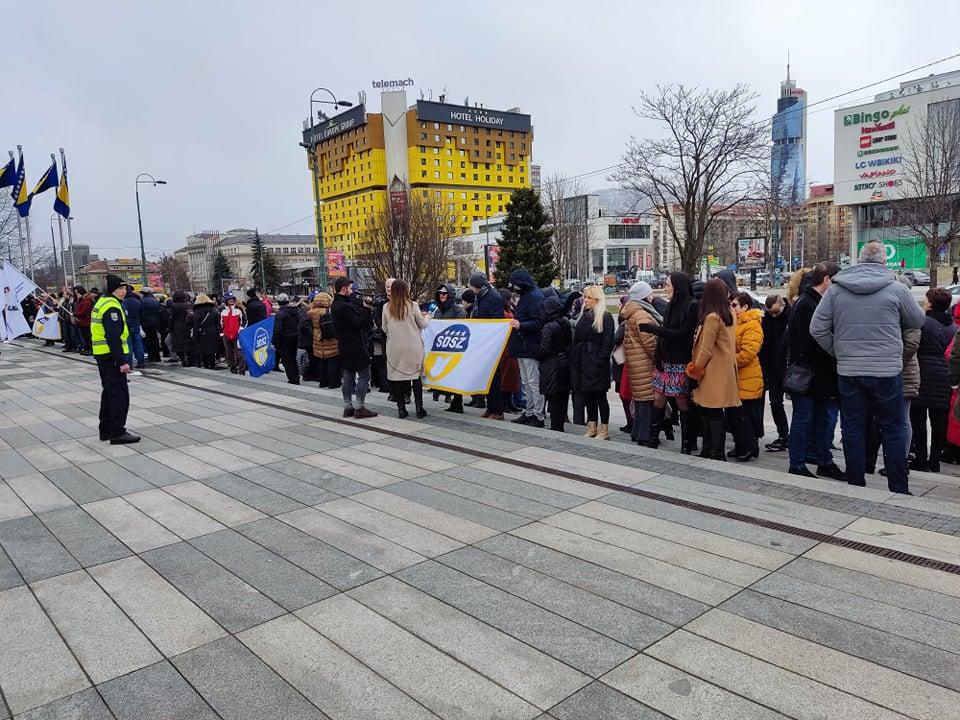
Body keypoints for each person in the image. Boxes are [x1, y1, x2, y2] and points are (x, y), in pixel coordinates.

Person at [810, 243, 924, 493]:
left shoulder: (836, 290)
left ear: (859, 260)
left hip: (850, 372)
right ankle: (898, 486)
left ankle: (856, 483)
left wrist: (839, 352)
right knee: (893, 427)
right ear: (884, 262)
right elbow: (917, 319)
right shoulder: (897, 288)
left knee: (852, 427)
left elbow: (817, 328)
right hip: (886, 372)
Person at [783, 263, 845, 479]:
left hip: (818, 375)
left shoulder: (812, 301)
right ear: (827, 280)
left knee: (822, 419)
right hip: (809, 374)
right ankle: (797, 463)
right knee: (804, 418)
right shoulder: (807, 303)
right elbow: (811, 341)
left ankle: (823, 460)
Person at [639, 272, 698, 452]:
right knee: (658, 398)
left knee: (681, 401)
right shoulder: (671, 305)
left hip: (680, 361)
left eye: (668, 285)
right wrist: (658, 356)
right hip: (665, 361)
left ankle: (687, 444)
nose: (665, 288)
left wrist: (655, 330)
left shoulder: (692, 306)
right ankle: (652, 439)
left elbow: (683, 335)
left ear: (678, 287)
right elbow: (665, 333)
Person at [685, 278, 739, 460]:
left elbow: (705, 350)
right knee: (713, 411)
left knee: (710, 412)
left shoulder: (711, 317)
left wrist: (694, 370)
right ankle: (712, 450)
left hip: (712, 370)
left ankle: (714, 451)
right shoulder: (729, 313)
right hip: (726, 369)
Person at [90, 274, 138, 444]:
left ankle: (106, 430)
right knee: (119, 395)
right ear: (112, 289)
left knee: (108, 393)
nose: (124, 291)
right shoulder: (112, 306)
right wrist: (122, 361)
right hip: (111, 357)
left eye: (125, 288)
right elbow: (113, 337)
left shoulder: (102, 302)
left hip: (102, 354)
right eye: (120, 288)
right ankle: (117, 432)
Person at [911, 287, 954, 472]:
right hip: (945, 378)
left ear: (931, 303)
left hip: (922, 375)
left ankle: (921, 459)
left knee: (918, 419)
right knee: (939, 421)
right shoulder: (954, 327)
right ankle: (935, 460)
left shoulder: (922, 323)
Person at [571, 285, 615, 440]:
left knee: (600, 397)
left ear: (597, 299)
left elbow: (608, 342)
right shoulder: (584, 315)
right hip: (583, 361)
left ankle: (604, 429)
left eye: (589, 297)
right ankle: (592, 426)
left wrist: (599, 360)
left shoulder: (605, 316)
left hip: (596, 363)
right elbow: (578, 337)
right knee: (588, 396)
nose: (585, 300)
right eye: (585, 297)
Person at [382, 279, 430, 418]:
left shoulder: (386, 307)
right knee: (415, 377)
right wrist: (427, 317)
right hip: (413, 347)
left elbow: (384, 328)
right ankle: (419, 409)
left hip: (395, 348)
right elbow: (422, 324)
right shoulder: (412, 305)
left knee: (397, 378)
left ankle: (401, 409)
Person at [621, 281, 661, 446]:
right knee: (646, 400)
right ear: (644, 296)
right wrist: (658, 357)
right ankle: (644, 435)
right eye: (650, 293)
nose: (653, 296)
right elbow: (650, 341)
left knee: (640, 400)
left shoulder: (632, 312)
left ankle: (638, 432)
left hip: (636, 362)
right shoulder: (642, 314)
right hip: (644, 362)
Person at [331, 277, 377, 419]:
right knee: (364, 375)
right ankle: (360, 407)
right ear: (344, 289)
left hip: (344, 346)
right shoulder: (343, 307)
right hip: (355, 345)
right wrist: (366, 309)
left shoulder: (336, 304)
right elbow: (357, 323)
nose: (351, 292)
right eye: (350, 289)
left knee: (348, 375)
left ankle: (348, 407)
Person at [507, 269, 546, 427]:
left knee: (532, 381)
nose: (514, 288)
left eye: (516, 285)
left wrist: (521, 325)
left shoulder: (535, 297)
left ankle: (538, 414)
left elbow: (538, 322)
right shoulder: (528, 295)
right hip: (523, 345)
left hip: (529, 345)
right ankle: (530, 412)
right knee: (527, 381)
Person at [728, 291, 764, 461]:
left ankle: (748, 447)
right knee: (735, 415)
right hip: (736, 377)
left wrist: (727, 360)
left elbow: (748, 353)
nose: (731, 307)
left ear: (745, 306)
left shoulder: (752, 324)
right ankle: (742, 445)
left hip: (747, 377)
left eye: (734, 305)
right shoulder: (734, 322)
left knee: (742, 415)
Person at [468, 272, 505, 420]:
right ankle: (490, 407)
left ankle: (498, 410)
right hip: (482, 341)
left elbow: (497, 320)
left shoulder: (493, 297)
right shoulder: (480, 297)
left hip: (491, 341)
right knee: (486, 377)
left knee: (494, 377)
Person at [759, 294, 790, 451]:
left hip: (788, 367)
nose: (773, 315)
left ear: (783, 305)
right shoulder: (766, 319)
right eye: (770, 313)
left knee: (798, 405)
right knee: (775, 402)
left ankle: (795, 437)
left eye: (776, 312)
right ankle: (783, 435)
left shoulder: (791, 316)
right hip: (772, 368)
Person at [538, 295, 572, 432]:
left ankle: (555, 426)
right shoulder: (566, 321)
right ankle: (560, 424)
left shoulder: (548, 326)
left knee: (553, 396)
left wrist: (537, 354)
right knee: (563, 395)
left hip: (551, 364)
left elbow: (545, 348)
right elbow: (570, 343)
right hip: (564, 361)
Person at [433, 284, 466, 412]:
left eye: (445, 293)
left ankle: (458, 402)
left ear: (450, 295)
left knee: (456, 375)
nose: (442, 295)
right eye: (440, 293)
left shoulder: (458, 311)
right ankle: (452, 400)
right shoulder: (437, 311)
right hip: (441, 349)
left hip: (454, 349)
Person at [307, 292, 340, 389]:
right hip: (330, 338)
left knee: (321, 361)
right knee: (332, 361)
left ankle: (323, 382)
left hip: (318, 338)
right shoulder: (330, 311)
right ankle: (333, 383)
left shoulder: (311, 312)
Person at [271, 293, 301, 384]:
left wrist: (274, 342)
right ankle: (296, 376)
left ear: (279, 302)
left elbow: (277, 330)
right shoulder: (296, 311)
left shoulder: (280, 313)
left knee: (287, 360)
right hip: (295, 337)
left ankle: (293, 379)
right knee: (293, 358)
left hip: (284, 340)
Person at [371, 278, 394, 393]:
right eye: (387, 286)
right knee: (382, 360)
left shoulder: (401, 301)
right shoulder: (381, 302)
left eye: (391, 286)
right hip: (381, 336)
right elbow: (377, 319)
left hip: (396, 338)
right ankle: (385, 385)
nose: (389, 289)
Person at [190, 294, 220, 370]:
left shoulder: (198, 311)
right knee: (212, 351)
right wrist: (217, 335)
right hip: (213, 332)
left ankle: (206, 366)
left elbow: (196, 326)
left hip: (202, 333)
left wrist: (195, 337)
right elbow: (217, 325)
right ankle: (213, 365)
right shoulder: (214, 311)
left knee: (204, 351)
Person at [220, 292, 246, 374]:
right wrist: (221, 332)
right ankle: (232, 368)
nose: (231, 300)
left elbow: (244, 320)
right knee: (229, 353)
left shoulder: (238, 309)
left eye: (232, 299)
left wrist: (241, 328)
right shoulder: (222, 310)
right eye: (229, 299)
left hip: (237, 334)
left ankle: (242, 370)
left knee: (239, 353)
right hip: (226, 334)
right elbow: (219, 322)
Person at [121, 286, 145, 370]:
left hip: (127, 326)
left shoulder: (123, 303)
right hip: (136, 324)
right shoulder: (137, 302)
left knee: (128, 345)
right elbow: (142, 314)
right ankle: (141, 362)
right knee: (138, 344)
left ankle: (129, 363)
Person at [169, 291, 193, 367]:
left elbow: (172, 318)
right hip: (187, 326)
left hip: (177, 327)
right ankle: (189, 360)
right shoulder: (188, 304)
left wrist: (170, 328)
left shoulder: (174, 306)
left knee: (178, 346)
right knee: (188, 344)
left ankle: (183, 360)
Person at [140, 288, 162, 363]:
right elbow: (159, 311)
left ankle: (151, 357)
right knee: (155, 339)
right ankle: (157, 356)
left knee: (148, 340)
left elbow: (141, 313)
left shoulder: (142, 301)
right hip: (155, 322)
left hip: (146, 323)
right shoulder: (155, 300)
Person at [74, 287, 94, 356]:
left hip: (86, 322)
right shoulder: (81, 301)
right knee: (84, 336)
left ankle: (90, 349)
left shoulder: (86, 301)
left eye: (77, 293)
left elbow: (83, 312)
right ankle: (87, 348)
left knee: (87, 336)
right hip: (82, 322)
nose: (77, 295)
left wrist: (75, 314)